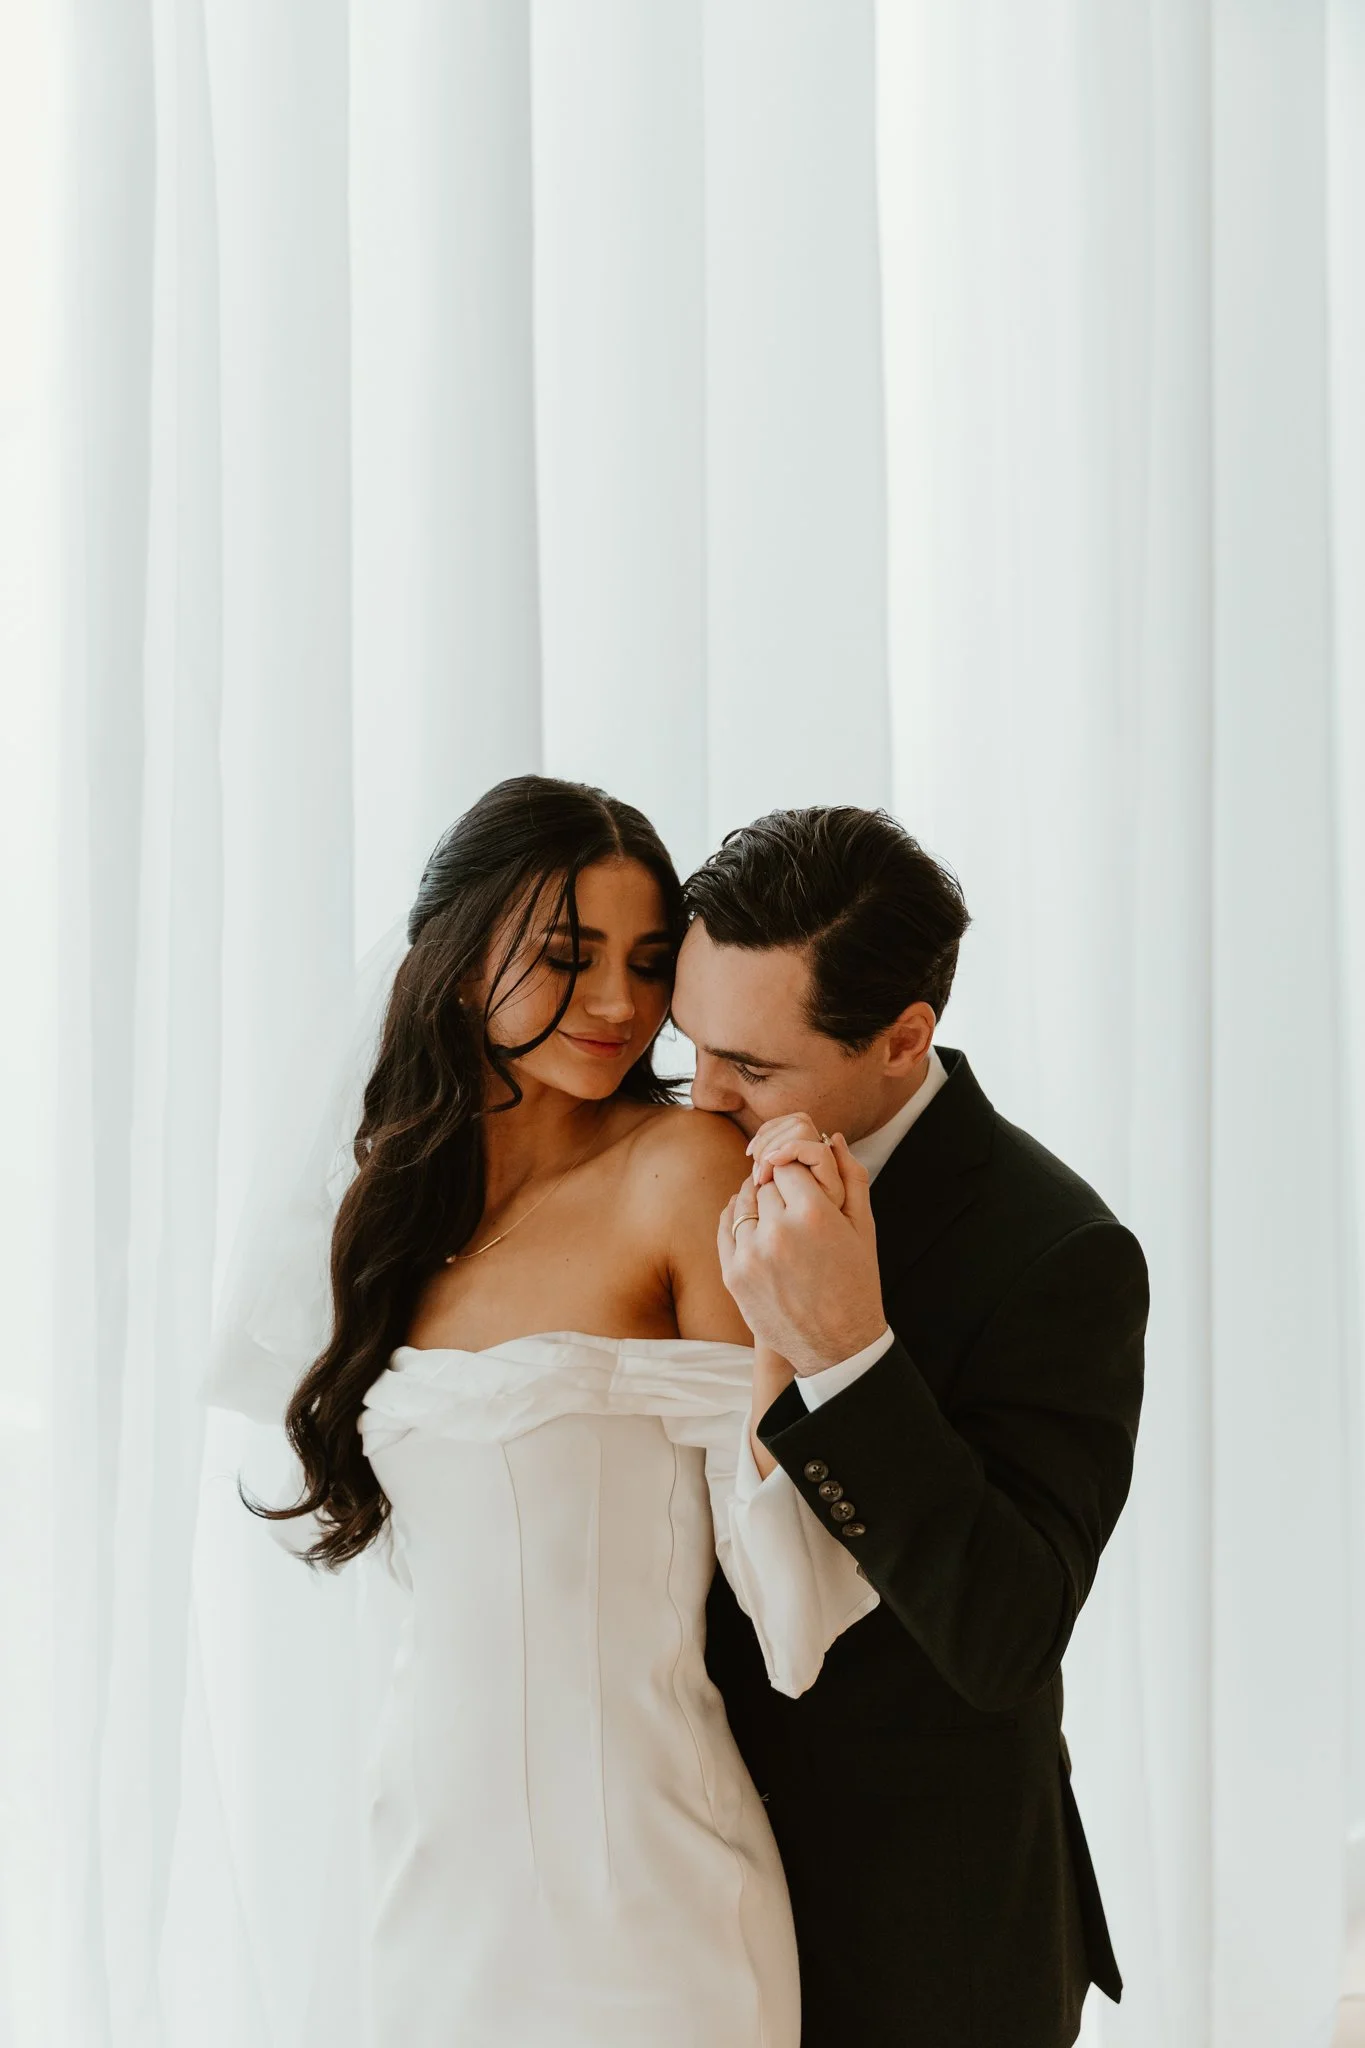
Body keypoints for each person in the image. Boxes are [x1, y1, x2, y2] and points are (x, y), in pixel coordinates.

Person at [220, 775, 880, 2048]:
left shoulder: (680, 1173)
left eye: (646, 962)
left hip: (650, 1891)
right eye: (569, 958)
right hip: (428, 1873)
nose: (624, 1004)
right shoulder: (391, 1214)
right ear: (463, 963)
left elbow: (792, 1617)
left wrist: (805, 1345)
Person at [671, 805, 1149, 2048]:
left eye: (752, 1066)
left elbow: (1006, 1632)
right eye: (692, 1042)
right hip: (670, 1903)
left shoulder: (1060, 1253)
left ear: (902, 1037)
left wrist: (849, 1353)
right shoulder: (667, 1161)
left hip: (926, 1941)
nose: (700, 1092)